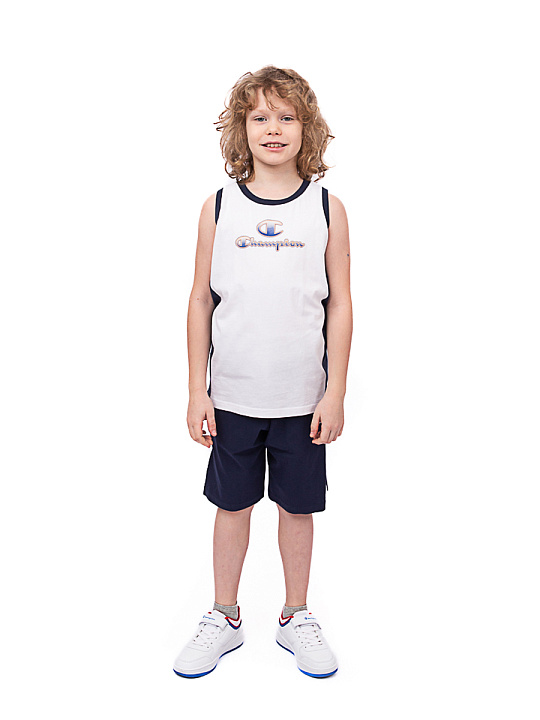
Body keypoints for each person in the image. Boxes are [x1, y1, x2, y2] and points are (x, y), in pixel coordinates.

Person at [173, 65, 352, 679]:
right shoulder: (218, 207)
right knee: (232, 507)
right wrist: (196, 389)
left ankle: (295, 615)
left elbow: (340, 304)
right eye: (259, 117)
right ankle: (224, 616)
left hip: (303, 399)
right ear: (241, 129)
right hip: (232, 398)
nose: (273, 128)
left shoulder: (327, 208)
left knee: (297, 509)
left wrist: (335, 391)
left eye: (286, 116)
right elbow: (201, 300)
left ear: (307, 128)